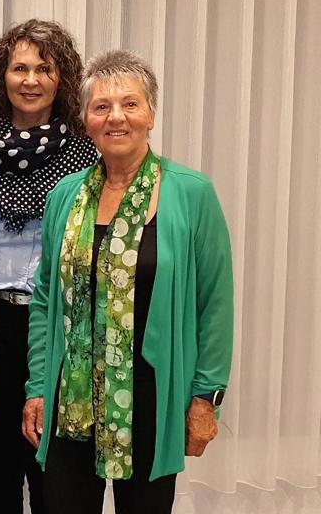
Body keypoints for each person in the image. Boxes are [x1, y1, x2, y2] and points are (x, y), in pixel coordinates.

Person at [22, 50, 234, 513]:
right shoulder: (66, 195)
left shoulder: (191, 193)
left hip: (151, 398)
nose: (115, 116)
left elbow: (214, 304)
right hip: (71, 398)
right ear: (86, 120)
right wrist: (37, 387)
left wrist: (206, 399)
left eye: (130, 104)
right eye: (101, 106)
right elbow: (43, 299)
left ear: (151, 114)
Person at [0, 19, 98, 514]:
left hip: (58, 321)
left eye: (44, 68)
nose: (31, 79)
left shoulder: (88, 156)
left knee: (51, 459)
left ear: (63, 80)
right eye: (19, 68)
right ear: (3, 77)